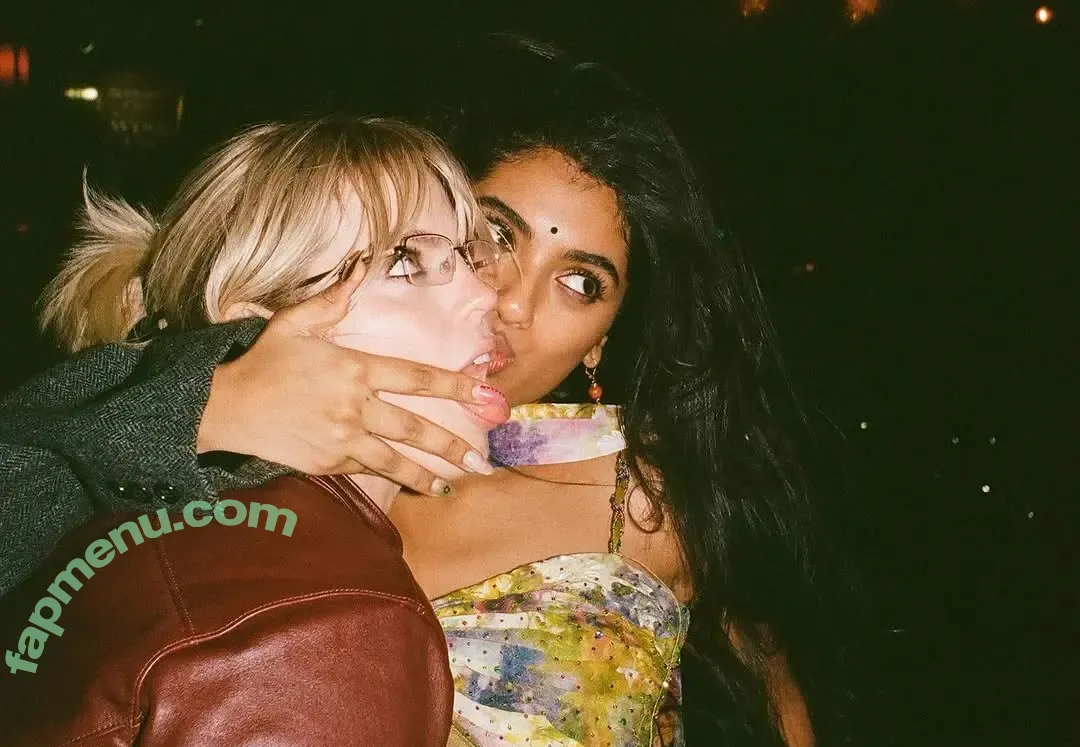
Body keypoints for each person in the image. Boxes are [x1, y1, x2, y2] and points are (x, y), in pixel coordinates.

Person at [0, 38, 831, 746]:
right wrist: (202, 401)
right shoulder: (223, 461)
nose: (509, 301)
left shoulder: (641, 489)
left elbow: (762, 673)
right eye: (491, 236)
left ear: (602, 340)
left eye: (581, 282)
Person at [0, 115, 516, 746]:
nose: (488, 296)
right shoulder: (325, 622)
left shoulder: (168, 522)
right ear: (250, 325)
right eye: (406, 262)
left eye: (468, 255)